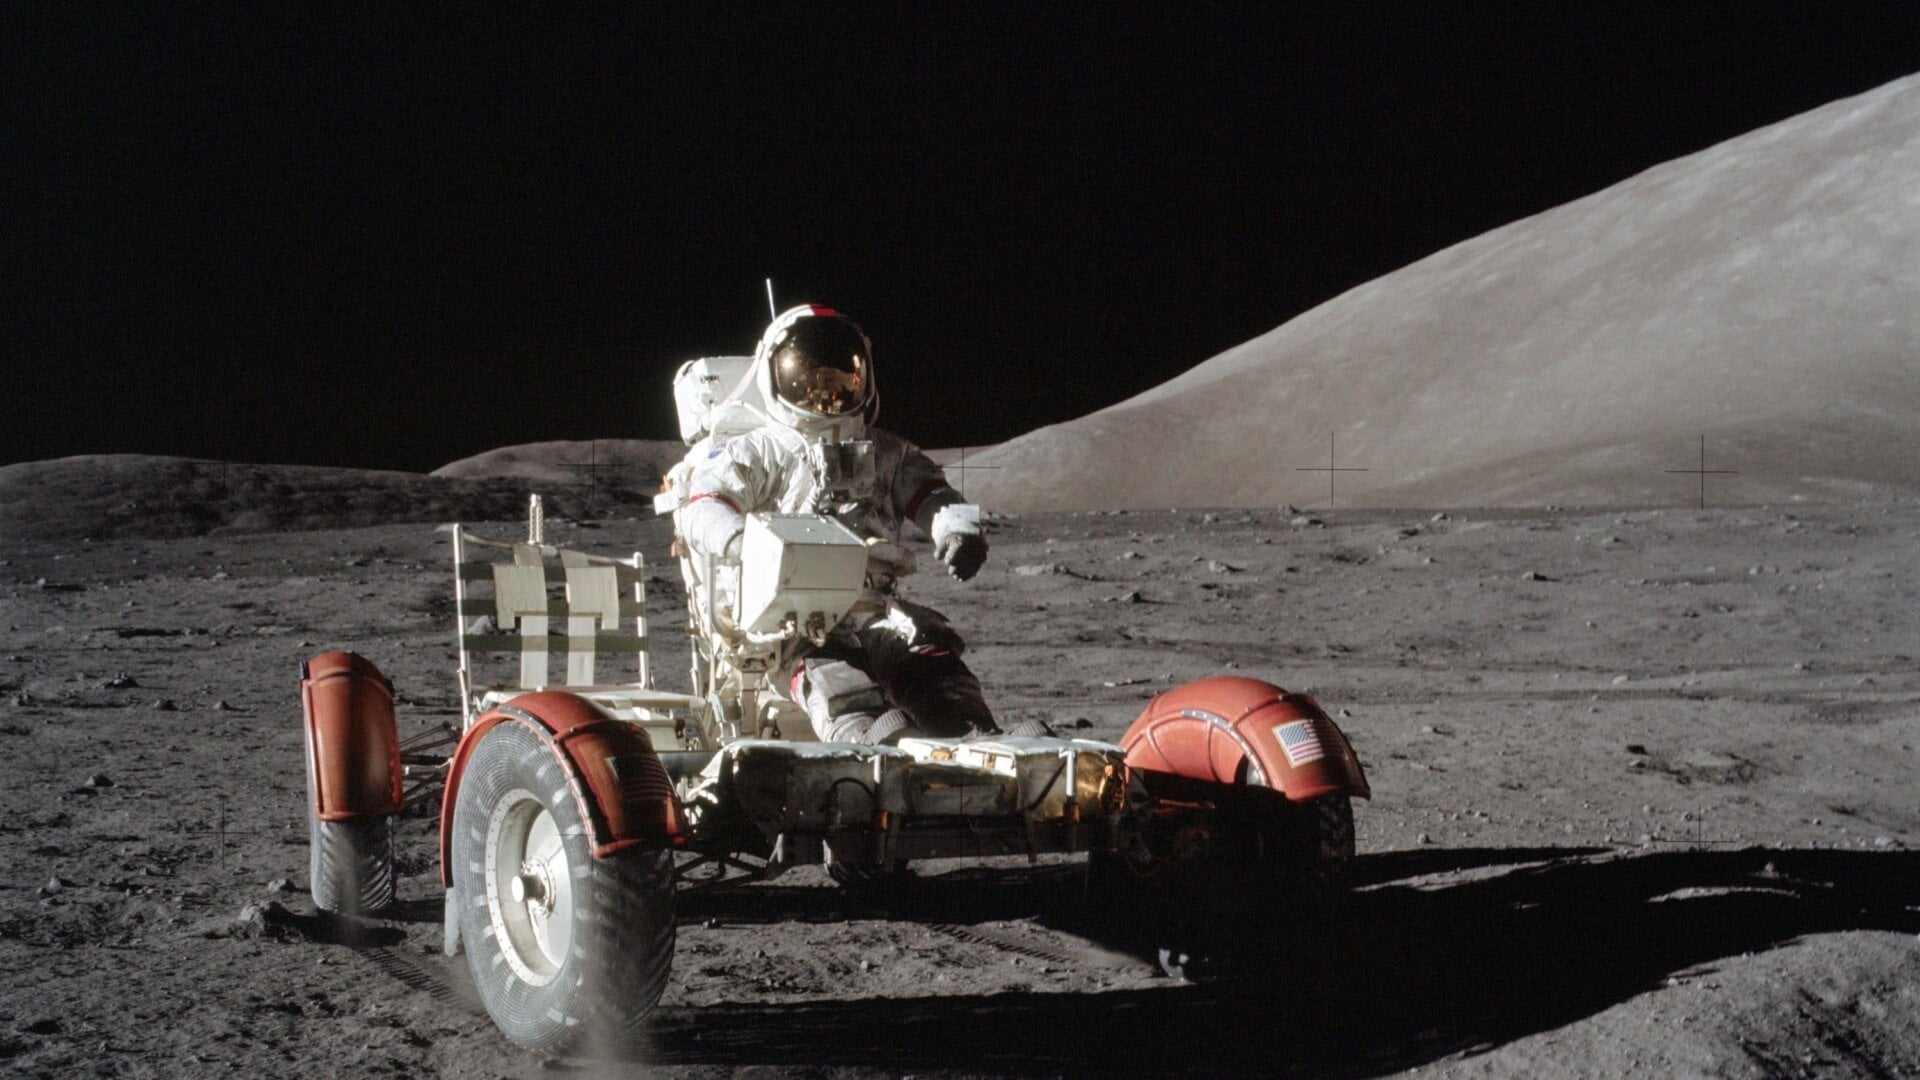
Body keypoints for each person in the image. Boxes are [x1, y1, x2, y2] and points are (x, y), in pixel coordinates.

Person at [678, 305, 1036, 745]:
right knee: (834, 674)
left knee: (928, 656)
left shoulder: (886, 452)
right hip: (792, 618)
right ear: (775, 377)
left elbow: (931, 493)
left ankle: (974, 734)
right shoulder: (757, 451)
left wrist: (956, 530)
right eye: (810, 381)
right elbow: (704, 505)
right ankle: (864, 738)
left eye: (839, 380)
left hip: (873, 606)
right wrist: (739, 541)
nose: (825, 395)